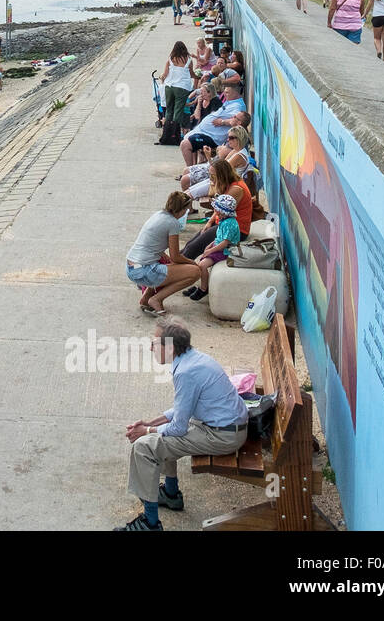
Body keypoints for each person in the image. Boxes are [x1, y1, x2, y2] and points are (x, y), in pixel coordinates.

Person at [117, 318, 251, 530]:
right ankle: (170, 493)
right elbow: (182, 411)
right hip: (224, 427)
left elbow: (178, 427)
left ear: (169, 347)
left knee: (144, 448)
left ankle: (149, 523)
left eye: (154, 342)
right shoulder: (193, 359)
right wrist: (151, 423)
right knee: (160, 438)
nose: (151, 346)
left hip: (222, 436)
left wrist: (147, 431)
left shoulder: (186, 372)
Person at [125, 192, 200, 316]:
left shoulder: (158, 214)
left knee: (168, 265)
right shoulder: (173, 223)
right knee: (194, 272)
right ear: (181, 210)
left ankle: (146, 298)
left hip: (131, 267)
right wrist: (193, 263)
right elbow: (176, 256)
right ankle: (157, 299)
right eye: (186, 210)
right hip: (143, 270)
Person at [182, 159, 252, 260]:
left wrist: (210, 223)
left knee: (192, 249)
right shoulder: (228, 183)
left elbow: (219, 209)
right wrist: (209, 222)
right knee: (189, 245)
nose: (211, 179)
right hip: (224, 223)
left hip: (236, 230)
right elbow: (218, 208)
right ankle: (174, 264)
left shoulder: (236, 189)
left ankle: (177, 269)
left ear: (222, 175)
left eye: (213, 176)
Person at [182, 194, 240, 302]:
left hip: (225, 251)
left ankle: (203, 289)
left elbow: (225, 243)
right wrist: (210, 245)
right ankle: (203, 284)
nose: (215, 211)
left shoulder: (230, 223)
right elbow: (219, 238)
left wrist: (211, 250)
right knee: (201, 262)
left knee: (202, 265)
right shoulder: (224, 221)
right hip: (218, 247)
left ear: (224, 212)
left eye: (217, 210)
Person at [180, 84, 249, 167]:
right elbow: (197, 116)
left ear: (235, 93)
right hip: (203, 131)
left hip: (212, 137)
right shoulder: (229, 102)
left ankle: (190, 170)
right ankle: (192, 167)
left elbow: (236, 122)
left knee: (185, 144)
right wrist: (199, 103)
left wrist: (222, 121)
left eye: (227, 92)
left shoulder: (237, 106)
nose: (224, 94)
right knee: (187, 138)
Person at [159, 42, 193, 146]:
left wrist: (161, 78)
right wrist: (197, 77)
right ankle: (175, 134)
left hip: (169, 87)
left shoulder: (171, 59)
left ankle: (166, 135)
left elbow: (165, 74)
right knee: (178, 111)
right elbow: (191, 73)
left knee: (169, 111)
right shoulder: (189, 59)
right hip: (182, 87)